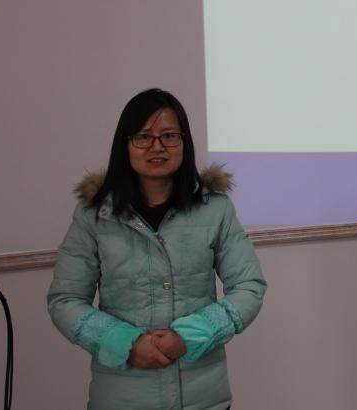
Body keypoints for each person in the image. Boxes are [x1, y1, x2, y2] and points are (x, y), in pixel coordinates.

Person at [47, 88, 266, 410]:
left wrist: (190, 336)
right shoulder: (94, 215)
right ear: (125, 144)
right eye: (143, 137)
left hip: (204, 398)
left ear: (184, 142)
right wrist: (125, 343)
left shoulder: (215, 209)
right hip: (122, 399)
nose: (157, 147)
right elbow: (65, 300)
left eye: (169, 136)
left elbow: (249, 286)